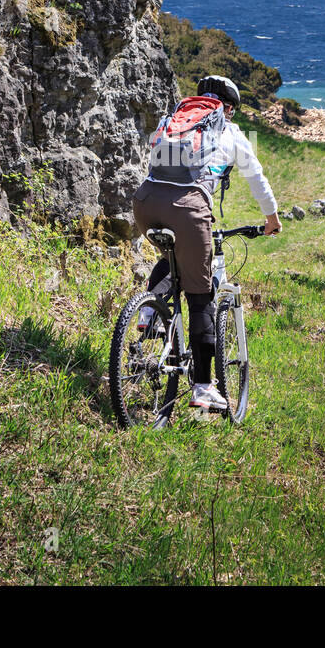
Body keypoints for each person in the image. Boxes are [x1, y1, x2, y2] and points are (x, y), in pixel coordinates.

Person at [132, 75, 281, 412]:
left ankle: (148, 311)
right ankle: (203, 387)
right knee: (201, 297)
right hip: (188, 209)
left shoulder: (173, 120)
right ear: (229, 108)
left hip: (145, 202)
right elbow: (256, 177)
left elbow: (155, 159)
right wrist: (271, 218)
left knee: (171, 256)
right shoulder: (230, 131)